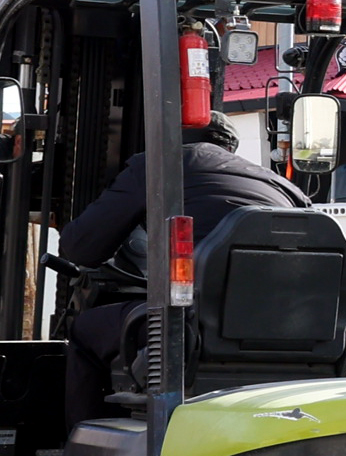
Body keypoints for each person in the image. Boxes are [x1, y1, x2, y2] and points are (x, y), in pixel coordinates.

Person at [64, 118, 316, 427]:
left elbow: (81, 249)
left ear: (167, 138)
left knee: (85, 330)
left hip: (196, 333)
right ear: (230, 148)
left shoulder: (158, 167)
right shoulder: (284, 187)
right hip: (297, 340)